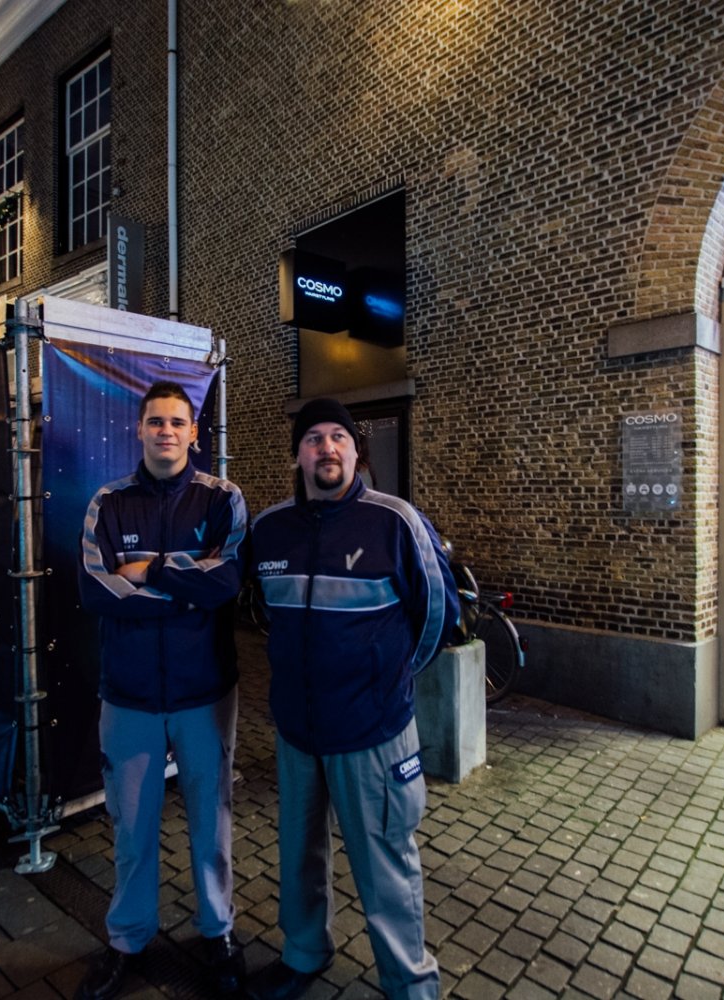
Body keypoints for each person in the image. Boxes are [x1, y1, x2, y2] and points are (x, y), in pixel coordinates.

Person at [248, 398, 459, 1000]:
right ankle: (303, 953)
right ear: (297, 454)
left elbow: (440, 616)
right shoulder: (269, 529)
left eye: (338, 436)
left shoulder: (395, 521)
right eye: (313, 438)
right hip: (297, 731)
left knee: (385, 861)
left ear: (355, 450)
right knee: (298, 854)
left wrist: (392, 678)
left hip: (373, 731)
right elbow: (264, 613)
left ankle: (409, 983)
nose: (327, 448)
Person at [76, 381, 248, 1000]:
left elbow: (227, 582)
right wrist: (185, 589)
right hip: (129, 697)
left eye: (178, 422)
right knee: (131, 828)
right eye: (156, 421)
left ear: (194, 432)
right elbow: (95, 590)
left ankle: (217, 932)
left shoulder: (224, 499)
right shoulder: (108, 503)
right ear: (140, 429)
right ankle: (128, 939)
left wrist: (149, 571)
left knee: (211, 821)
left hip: (206, 694)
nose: (166, 431)